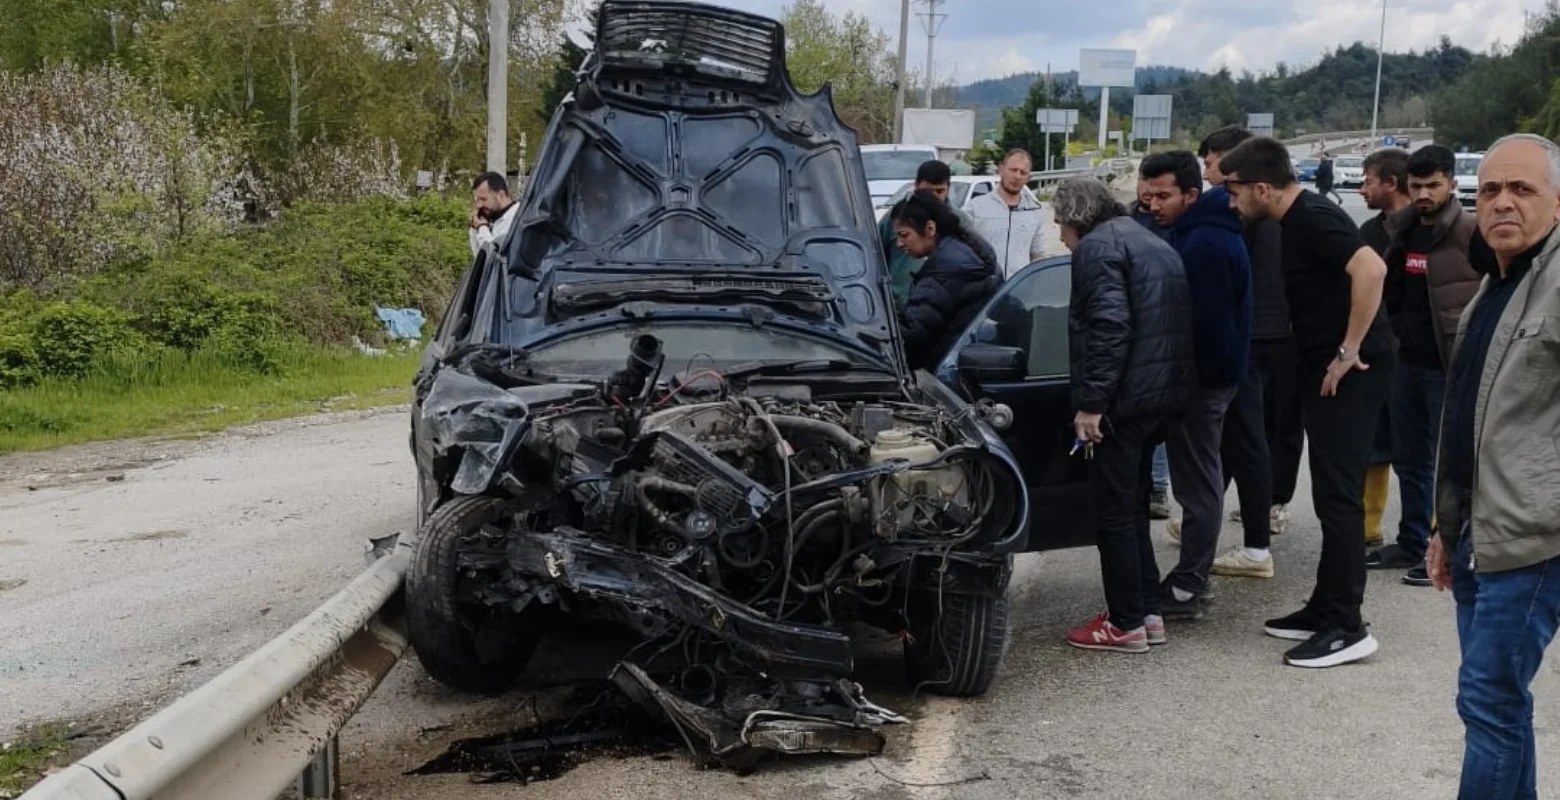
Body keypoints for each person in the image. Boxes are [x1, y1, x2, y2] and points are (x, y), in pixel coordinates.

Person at [1219, 136, 1396, 668]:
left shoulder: (1314, 216)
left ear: (1261, 188)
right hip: (1325, 369)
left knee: (1340, 497)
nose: (1231, 201)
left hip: (1353, 371)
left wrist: (1349, 349)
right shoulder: (1291, 219)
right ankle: (1324, 606)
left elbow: (1372, 270)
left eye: (1233, 191)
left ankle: (1347, 625)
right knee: (1327, 494)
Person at [1426, 132, 1560, 800]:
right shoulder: (1496, 287)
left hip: (1533, 538)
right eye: (1490, 191)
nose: (1503, 202)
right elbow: (1466, 419)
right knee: (1499, 705)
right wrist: (1443, 526)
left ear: (1557, 202)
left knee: (1487, 698)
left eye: (1522, 189)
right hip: (1479, 533)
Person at [1053, 177, 1195, 653]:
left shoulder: (1097, 249)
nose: (1060, 236)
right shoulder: (1147, 240)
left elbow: (1110, 328)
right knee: (1133, 508)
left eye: (1060, 223)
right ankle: (1147, 612)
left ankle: (1125, 621)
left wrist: (1092, 403)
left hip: (1122, 400)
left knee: (1113, 512)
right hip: (1162, 396)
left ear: (1075, 217)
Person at [1137, 151, 1251, 617]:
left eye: (1163, 196)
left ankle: (1189, 585)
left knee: (1198, 486)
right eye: (1148, 196)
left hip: (1203, 383)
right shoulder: (1195, 231)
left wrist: (1187, 385)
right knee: (1199, 480)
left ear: (1190, 194)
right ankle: (1191, 578)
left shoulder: (1204, 243)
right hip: (1205, 379)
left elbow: (1210, 328)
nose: (1153, 205)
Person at [1371, 145, 1482, 585]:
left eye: (1432, 185)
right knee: (1409, 458)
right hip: (1406, 361)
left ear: (1451, 184)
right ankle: (1411, 541)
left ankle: (1449, 549)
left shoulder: (1471, 232)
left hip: (1449, 367)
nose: (1423, 194)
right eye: (1416, 186)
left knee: (1451, 464)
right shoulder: (1402, 230)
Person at [1194, 126, 1292, 580]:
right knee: (1241, 438)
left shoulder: (1238, 207)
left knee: (1249, 440)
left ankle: (1256, 547)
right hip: (1278, 333)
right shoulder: (1275, 203)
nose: (1208, 173)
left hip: (1255, 335)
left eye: (1212, 162)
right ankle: (1207, 516)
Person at [1357, 148, 1413, 553]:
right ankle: (1368, 526)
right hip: (1377, 350)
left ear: (1391, 183)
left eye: (1368, 181)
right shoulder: (1368, 233)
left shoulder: (1429, 230)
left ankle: (1427, 529)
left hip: (1421, 355)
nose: (1362, 189)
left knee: (1419, 450)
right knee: (1374, 443)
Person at [890, 190, 1003, 372]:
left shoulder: (941, 275)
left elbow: (914, 336)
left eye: (904, 235)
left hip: (944, 373)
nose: (899, 243)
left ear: (930, 229)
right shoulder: (969, 254)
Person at [1129, 176, 1174, 520]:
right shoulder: (1127, 219)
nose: (1148, 192)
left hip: (1163, 326)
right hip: (1134, 325)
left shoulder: (1172, 222)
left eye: (1158, 188)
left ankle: (1158, 485)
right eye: (1144, 182)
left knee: (1157, 415)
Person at [878, 160, 975, 306]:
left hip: (943, 306)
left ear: (948, 188)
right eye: (928, 191)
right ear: (916, 186)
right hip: (898, 305)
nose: (933, 197)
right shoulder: (896, 217)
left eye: (940, 191)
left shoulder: (959, 221)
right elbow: (875, 257)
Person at [967, 149, 1046, 276]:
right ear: (1001, 170)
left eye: (1023, 172)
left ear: (1028, 178)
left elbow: (1037, 256)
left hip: (1018, 286)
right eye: (1013, 170)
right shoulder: (975, 208)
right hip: (985, 285)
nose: (1017, 176)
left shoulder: (1034, 211)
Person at [468, 172, 518, 257]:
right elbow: (480, 258)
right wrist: (475, 228)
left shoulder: (515, 219)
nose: (479, 205)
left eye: (483, 199)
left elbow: (494, 258)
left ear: (501, 195)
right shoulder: (497, 217)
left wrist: (482, 227)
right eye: (477, 200)